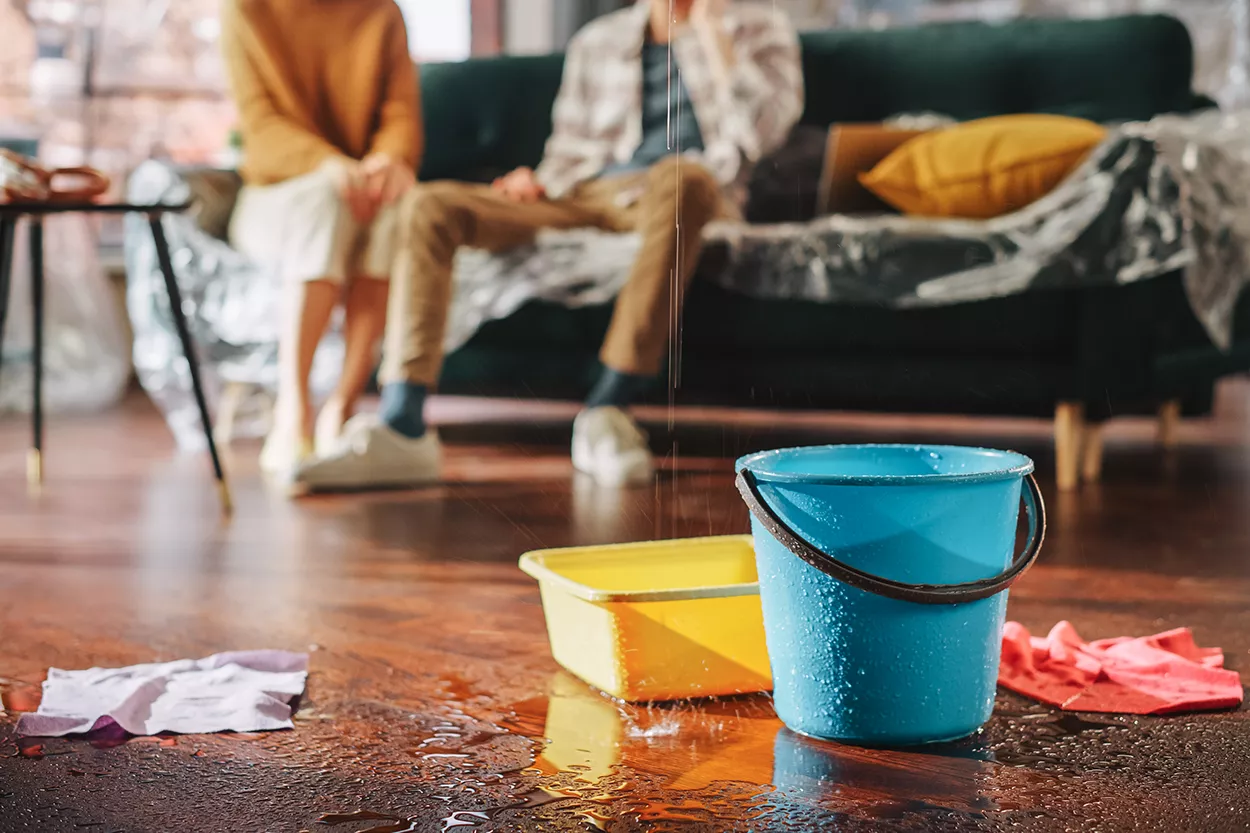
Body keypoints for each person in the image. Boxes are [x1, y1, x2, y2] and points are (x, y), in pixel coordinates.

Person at [296, 0, 803, 491]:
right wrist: (535, 182)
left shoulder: (759, 31)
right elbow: (568, 152)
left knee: (683, 178)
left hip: (680, 193)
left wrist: (714, 35)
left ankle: (608, 408)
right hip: (585, 193)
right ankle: (402, 424)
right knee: (430, 206)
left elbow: (757, 137)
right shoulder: (598, 41)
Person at [220, 0, 422, 476]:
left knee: (400, 211)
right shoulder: (247, 10)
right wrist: (328, 164)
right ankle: (295, 411)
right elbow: (260, 124)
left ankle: (342, 406)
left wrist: (385, 161)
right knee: (325, 201)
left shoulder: (381, 13)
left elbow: (402, 115)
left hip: (363, 194)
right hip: (276, 196)